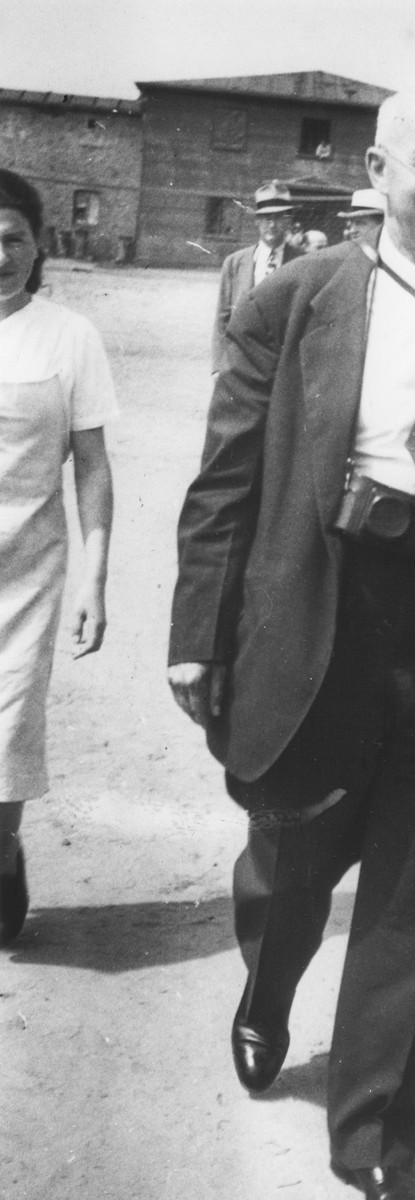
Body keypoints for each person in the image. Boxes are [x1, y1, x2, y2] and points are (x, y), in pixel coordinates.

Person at [167, 84, 415, 1200]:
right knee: (293, 861)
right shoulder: (294, 299)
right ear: (377, 173)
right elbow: (226, 480)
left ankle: (377, 1135)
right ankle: (268, 986)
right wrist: (198, 633)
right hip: (321, 613)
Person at [0, 170, 116, 947]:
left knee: (3, 751)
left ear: (39, 244)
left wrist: (93, 578)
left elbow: (94, 467)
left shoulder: (69, 335)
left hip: (23, 582)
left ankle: (3, 859)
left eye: (12, 238)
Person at [210, 180, 303, 372]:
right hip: (243, 361)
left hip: (284, 366)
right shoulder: (234, 263)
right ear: (257, 221)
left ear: (289, 221)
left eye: (279, 217)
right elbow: (222, 318)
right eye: (266, 218)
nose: (272, 224)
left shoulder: (304, 261)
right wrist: (219, 366)